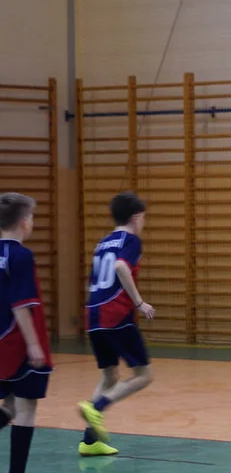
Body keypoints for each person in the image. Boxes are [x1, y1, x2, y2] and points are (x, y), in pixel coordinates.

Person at [77, 191, 156, 455]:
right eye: (143, 217)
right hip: (116, 314)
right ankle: (96, 408)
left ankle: (90, 442)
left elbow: (92, 280)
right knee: (144, 375)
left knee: (109, 374)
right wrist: (139, 303)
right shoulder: (131, 240)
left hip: (94, 313)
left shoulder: (103, 243)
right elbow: (121, 267)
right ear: (135, 217)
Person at [0, 192, 53, 473]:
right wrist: (34, 345)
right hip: (16, 342)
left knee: (6, 405)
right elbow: (22, 304)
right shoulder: (21, 256)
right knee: (26, 408)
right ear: (24, 222)